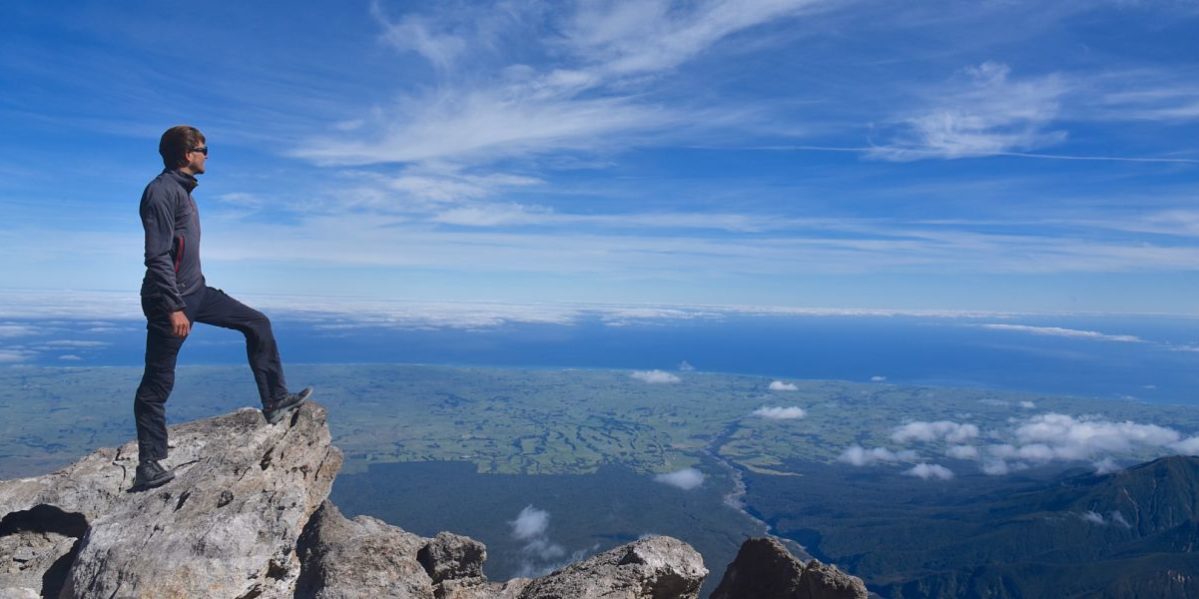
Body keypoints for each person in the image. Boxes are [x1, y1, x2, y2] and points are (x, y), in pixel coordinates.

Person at [131, 125, 311, 491]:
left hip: (196, 291)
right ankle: (148, 463)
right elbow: (157, 256)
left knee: (257, 323)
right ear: (186, 154)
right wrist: (173, 307)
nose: (207, 155)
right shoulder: (162, 192)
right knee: (158, 381)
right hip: (171, 300)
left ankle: (275, 400)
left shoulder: (183, 191)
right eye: (203, 149)